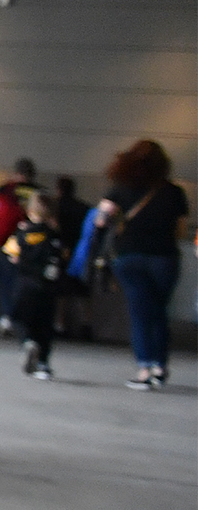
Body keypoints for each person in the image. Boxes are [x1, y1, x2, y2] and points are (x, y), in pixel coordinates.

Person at [88, 140, 188, 390]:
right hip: (164, 259)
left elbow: (100, 221)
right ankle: (160, 367)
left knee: (140, 313)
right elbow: (181, 229)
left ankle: (144, 368)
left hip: (129, 257)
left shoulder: (120, 189)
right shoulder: (174, 192)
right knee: (159, 313)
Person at [4, 193, 66, 381]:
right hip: (47, 287)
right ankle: (43, 365)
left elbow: (11, 255)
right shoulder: (54, 234)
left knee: (20, 318)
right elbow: (62, 255)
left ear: (30, 211)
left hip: (25, 285)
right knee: (44, 325)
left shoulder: (22, 233)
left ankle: (28, 342)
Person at [0, 159, 40, 335]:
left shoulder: (4, 190)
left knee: (6, 283)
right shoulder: (38, 192)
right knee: (28, 283)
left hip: (7, 244)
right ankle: (25, 320)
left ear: (16, 172)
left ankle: (7, 317)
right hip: (32, 243)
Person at [51, 175, 95, 340]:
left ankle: (60, 324)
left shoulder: (56, 207)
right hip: (81, 253)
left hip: (61, 251)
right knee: (82, 291)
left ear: (58, 189)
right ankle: (86, 324)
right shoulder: (83, 208)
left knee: (61, 291)